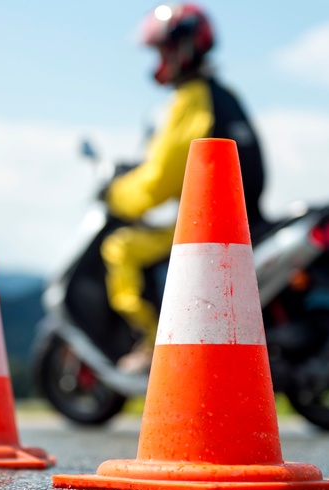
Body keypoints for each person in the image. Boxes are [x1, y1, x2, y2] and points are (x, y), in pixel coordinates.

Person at [102, 3, 267, 372]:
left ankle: (151, 345)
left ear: (182, 48)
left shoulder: (191, 99)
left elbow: (160, 180)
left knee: (121, 249)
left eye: (161, 49)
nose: (159, 59)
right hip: (245, 219)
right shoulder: (224, 95)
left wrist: (117, 196)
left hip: (209, 226)